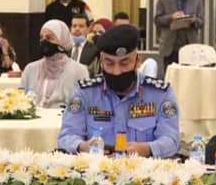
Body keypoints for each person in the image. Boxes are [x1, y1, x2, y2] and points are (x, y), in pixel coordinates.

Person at [58, 24, 180, 158]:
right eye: (109, 63)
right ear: (101, 62)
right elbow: (67, 135)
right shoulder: (85, 93)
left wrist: (148, 149)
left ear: (137, 61)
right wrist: (83, 146)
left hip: (143, 167)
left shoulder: (160, 94)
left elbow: (171, 139)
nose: (116, 72)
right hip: (96, 167)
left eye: (124, 63)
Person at [20, 20, 90, 108]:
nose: (44, 41)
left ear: (62, 40)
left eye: (49, 38)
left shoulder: (79, 71)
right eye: (41, 38)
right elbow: (20, 102)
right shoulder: (30, 69)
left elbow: (84, 105)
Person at [154, 0, 205, 68]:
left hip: (190, 45)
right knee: (170, 74)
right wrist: (171, 17)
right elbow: (157, 20)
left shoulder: (197, 0)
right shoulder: (163, 0)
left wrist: (194, 20)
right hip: (170, 46)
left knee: (189, 75)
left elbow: (202, 22)